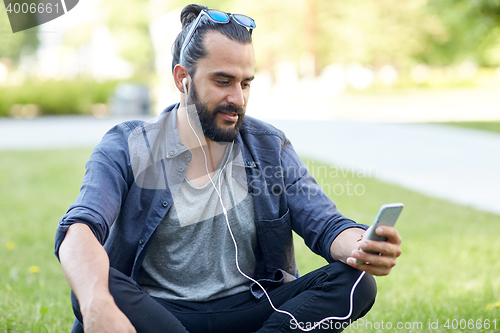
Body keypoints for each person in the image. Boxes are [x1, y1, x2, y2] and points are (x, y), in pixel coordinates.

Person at [54, 4, 402, 332]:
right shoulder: (128, 146)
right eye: (223, 81)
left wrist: (362, 246)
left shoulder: (269, 146)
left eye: (245, 83)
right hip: (159, 314)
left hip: (251, 305)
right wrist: (96, 302)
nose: (238, 98)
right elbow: (79, 229)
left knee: (354, 281)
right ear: (182, 79)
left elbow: (325, 224)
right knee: (93, 280)